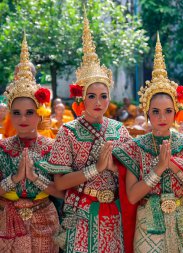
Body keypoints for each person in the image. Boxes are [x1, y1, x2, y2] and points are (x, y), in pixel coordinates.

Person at [36, 12, 130, 252]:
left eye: (103, 96)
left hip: (114, 214)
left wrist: (114, 168)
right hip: (82, 212)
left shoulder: (119, 130)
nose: (98, 102)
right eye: (91, 96)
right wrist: (96, 168)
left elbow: (132, 176)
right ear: (82, 97)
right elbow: (61, 182)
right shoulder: (68, 131)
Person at [113, 34, 183, 253]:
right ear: (147, 113)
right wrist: (158, 169)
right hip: (149, 222)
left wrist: (174, 168)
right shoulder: (135, 147)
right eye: (156, 112)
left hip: (182, 219)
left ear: (176, 112)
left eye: (168, 111)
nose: (162, 117)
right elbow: (132, 195)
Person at [0, 34, 62, 252]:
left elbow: (63, 193)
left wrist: (35, 178)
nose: (23, 119)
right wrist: (14, 179)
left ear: (40, 115)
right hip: (8, 220)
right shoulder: (1, 148)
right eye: (16, 113)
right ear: (10, 115)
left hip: (44, 219)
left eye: (29, 113)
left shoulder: (52, 147)